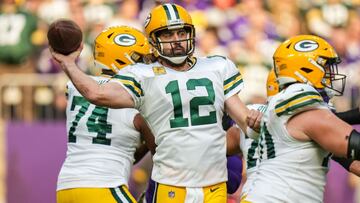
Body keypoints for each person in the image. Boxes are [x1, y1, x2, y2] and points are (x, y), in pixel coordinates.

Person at [50, 3, 261, 202]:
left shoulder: (218, 66)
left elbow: (242, 118)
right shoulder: (141, 74)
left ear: (191, 33)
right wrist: (68, 64)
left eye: (181, 32)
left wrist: (257, 122)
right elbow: (97, 94)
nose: (177, 39)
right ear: (153, 40)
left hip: (214, 181)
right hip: (171, 182)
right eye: (168, 34)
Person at [240, 34, 360, 202]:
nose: (331, 76)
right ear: (307, 70)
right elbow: (353, 143)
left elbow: (353, 162)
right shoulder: (302, 106)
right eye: (326, 68)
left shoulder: (295, 110)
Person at [56, 26, 156, 203]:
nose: (146, 64)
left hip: (66, 187)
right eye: (140, 58)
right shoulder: (134, 96)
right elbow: (158, 149)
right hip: (104, 186)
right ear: (121, 59)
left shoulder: (74, 88)